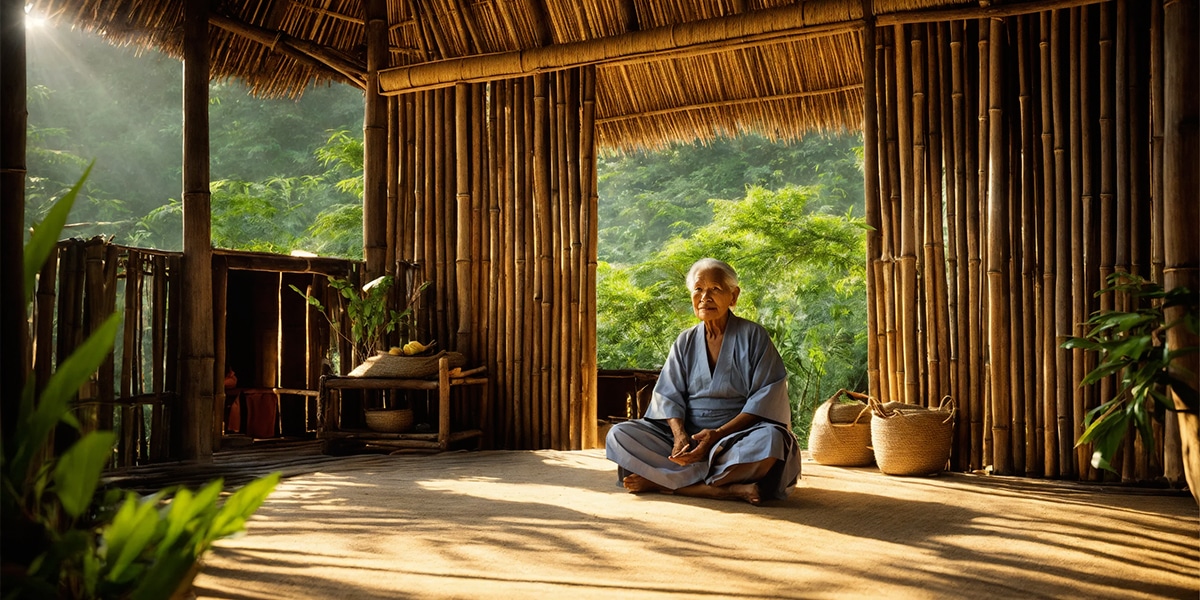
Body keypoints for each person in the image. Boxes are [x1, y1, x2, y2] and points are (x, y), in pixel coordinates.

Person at [605, 258, 801, 505]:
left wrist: (717, 435)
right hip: (688, 438)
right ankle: (722, 489)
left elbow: (766, 398)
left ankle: (664, 483)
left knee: (772, 441)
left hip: (737, 436)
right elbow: (667, 396)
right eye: (698, 289)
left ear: (733, 296)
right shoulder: (684, 341)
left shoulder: (754, 336)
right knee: (619, 434)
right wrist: (679, 436)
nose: (705, 297)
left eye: (715, 289)